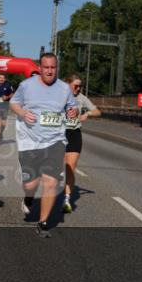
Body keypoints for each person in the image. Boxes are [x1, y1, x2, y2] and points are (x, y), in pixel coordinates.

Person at [9, 53, 78, 238]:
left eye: (53, 68)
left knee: (51, 182)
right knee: (30, 183)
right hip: (29, 140)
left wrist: (72, 111)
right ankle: (29, 197)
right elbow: (13, 103)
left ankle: (43, 222)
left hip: (55, 141)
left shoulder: (64, 88)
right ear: (40, 68)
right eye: (46, 67)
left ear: (57, 68)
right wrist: (23, 113)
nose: (49, 71)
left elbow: (73, 106)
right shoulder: (26, 86)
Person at [62, 74, 100, 213]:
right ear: (68, 84)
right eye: (75, 86)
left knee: (70, 167)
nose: (78, 89)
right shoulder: (58, 95)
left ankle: (66, 199)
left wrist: (87, 114)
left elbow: (97, 111)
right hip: (58, 134)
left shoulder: (81, 98)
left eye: (80, 86)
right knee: (55, 166)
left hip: (74, 134)